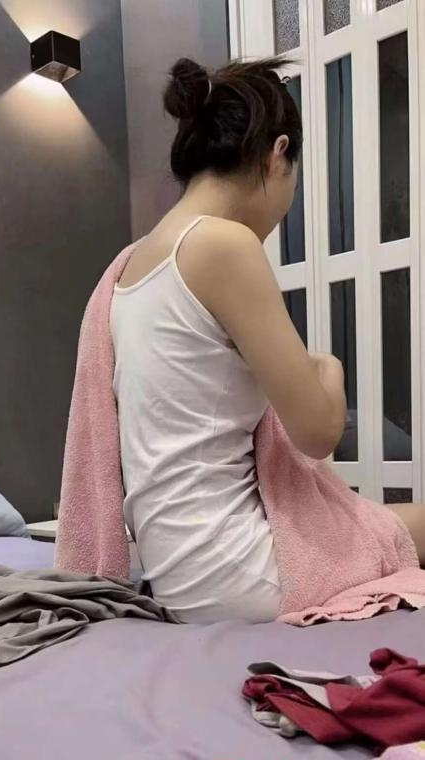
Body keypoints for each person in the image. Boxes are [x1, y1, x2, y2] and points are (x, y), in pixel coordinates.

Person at [111, 57, 425, 624]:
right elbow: (318, 434)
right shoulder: (222, 244)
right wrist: (328, 368)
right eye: (292, 184)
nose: (285, 206)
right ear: (278, 153)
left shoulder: (133, 263)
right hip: (235, 573)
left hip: (175, 570)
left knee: (386, 519)